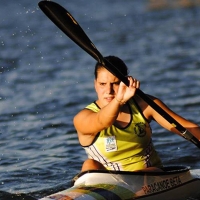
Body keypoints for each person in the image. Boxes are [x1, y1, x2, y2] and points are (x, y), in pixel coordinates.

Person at [73, 56, 200, 172]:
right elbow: (103, 121)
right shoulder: (82, 118)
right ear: (95, 84)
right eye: (102, 84)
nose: (109, 91)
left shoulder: (144, 105)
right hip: (108, 184)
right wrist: (118, 101)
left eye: (115, 83)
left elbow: (189, 128)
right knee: (89, 165)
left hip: (150, 176)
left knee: (150, 171)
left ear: (126, 82)